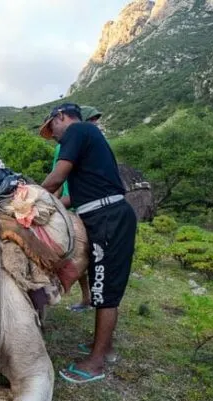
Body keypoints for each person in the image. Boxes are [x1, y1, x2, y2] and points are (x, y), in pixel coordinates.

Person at [39, 103, 137, 384]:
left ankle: (95, 363)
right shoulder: (86, 140)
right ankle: (104, 348)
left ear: (61, 117)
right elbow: (72, 197)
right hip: (102, 214)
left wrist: (30, 196)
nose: (54, 136)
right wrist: (50, 205)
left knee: (105, 289)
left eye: (52, 128)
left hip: (108, 218)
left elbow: (57, 178)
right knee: (99, 282)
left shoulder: (78, 130)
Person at [50, 106, 103, 313]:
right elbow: (58, 179)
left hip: (85, 205)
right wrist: (51, 202)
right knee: (80, 250)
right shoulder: (67, 144)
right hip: (75, 205)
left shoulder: (91, 142)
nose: (94, 125)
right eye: (92, 121)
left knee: (85, 252)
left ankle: (93, 298)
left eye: (95, 122)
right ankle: (88, 297)